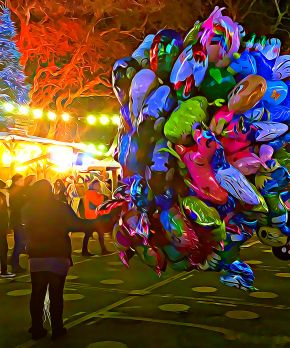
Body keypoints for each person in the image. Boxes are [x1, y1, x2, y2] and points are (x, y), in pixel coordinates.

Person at [22, 180, 99, 340]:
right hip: (57, 254)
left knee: (37, 293)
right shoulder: (60, 207)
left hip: (36, 255)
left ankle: (36, 328)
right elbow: (76, 224)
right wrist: (98, 223)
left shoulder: (28, 208)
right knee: (56, 294)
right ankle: (57, 328)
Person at [82, 180, 109, 256]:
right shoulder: (91, 193)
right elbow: (97, 202)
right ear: (93, 186)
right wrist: (103, 196)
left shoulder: (90, 193)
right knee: (91, 234)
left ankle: (103, 250)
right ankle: (85, 251)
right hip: (93, 217)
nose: (99, 186)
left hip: (92, 216)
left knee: (98, 233)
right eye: (98, 185)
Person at [9, 173, 26, 273]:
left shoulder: (16, 191)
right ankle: (14, 263)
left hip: (17, 220)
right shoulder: (16, 192)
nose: (23, 182)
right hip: (18, 220)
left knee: (19, 242)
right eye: (21, 180)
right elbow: (17, 207)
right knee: (20, 242)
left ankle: (13, 261)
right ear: (16, 181)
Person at [0, 180, 15, 278]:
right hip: (1, 225)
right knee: (3, 247)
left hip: (2, 225)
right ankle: (4, 270)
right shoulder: (1, 196)